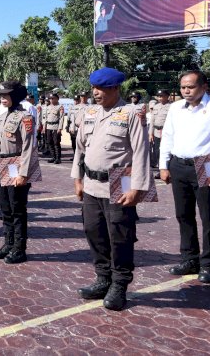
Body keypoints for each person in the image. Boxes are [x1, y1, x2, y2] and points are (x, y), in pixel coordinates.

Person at [72, 67, 151, 311]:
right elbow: (80, 148)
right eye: (94, 88)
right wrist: (78, 178)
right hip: (92, 184)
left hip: (120, 182)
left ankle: (120, 284)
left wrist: (138, 187)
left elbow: (141, 151)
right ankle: (102, 278)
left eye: (102, 89)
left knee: (120, 236)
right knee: (93, 231)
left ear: (115, 88)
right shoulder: (90, 112)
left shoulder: (131, 113)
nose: (96, 93)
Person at [159, 71, 210, 284]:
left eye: (191, 87)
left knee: (208, 216)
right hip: (179, 164)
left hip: (207, 165)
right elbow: (168, 136)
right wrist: (163, 165)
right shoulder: (175, 108)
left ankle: (208, 264)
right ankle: (189, 259)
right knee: (183, 215)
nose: (186, 90)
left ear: (204, 87)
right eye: (183, 86)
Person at [0, 81, 37, 264]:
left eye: (6, 95)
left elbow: (28, 147)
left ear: (15, 96)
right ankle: (8, 243)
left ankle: (19, 248)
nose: (2, 98)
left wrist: (23, 174)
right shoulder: (1, 116)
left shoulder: (25, 117)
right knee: (5, 208)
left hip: (16, 165)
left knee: (17, 209)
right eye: (1, 96)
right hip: (2, 165)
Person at [150, 90, 171, 177]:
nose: (160, 98)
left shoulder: (171, 106)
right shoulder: (156, 106)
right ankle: (160, 170)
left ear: (167, 96)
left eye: (162, 96)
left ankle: (168, 169)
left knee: (167, 151)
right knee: (157, 151)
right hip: (156, 132)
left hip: (166, 132)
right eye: (159, 96)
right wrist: (150, 133)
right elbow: (152, 121)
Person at [44, 93, 65, 164]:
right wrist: (44, 127)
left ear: (57, 99)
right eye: (50, 98)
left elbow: (61, 118)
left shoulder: (60, 107)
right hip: (48, 127)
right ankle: (53, 157)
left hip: (56, 127)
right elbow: (45, 118)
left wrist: (60, 128)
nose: (51, 100)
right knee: (49, 142)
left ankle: (58, 158)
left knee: (56, 143)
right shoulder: (48, 107)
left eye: (53, 98)